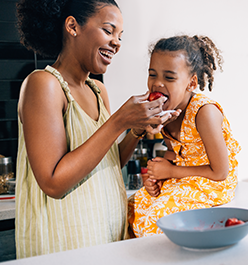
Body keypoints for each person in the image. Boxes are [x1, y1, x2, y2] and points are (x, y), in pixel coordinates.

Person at [15, 0, 178, 258]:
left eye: (120, 36)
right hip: (66, 243)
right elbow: (53, 182)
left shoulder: (98, 90)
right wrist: (120, 121)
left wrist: (136, 129)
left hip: (107, 236)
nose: (117, 42)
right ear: (72, 26)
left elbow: (110, 161)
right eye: (108, 30)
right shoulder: (43, 84)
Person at [128, 35, 241, 237]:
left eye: (169, 77)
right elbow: (178, 154)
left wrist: (169, 171)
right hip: (187, 173)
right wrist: (157, 174)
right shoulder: (167, 112)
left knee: (160, 215)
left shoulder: (204, 113)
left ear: (191, 83)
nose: (158, 84)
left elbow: (220, 171)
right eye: (153, 75)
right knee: (133, 206)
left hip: (212, 182)